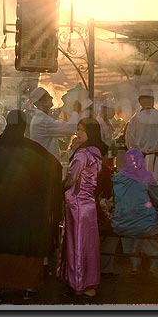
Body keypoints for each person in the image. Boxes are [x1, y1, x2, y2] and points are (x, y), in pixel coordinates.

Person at [0, 110, 63, 303]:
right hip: (26, 210)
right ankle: (28, 287)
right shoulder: (33, 148)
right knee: (27, 244)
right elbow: (56, 168)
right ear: (24, 126)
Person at [57, 118, 107, 298]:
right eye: (77, 130)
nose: (78, 133)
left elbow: (71, 178)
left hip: (76, 203)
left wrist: (59, 188)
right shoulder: (97, 152)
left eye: (81, 130)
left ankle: (78, 283)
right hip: (89, 203)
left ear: (90, 133)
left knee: (76, 243)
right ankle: (89, 283)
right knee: (88, 243)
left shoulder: (82, 154)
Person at [111, 148, 158, 278]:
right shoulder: (146, 177)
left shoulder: (117, 178)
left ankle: (134, 265)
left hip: (121, 223)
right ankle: (154, 266)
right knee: (156, 226)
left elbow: (116, 201)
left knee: (133, 227)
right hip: (144, 224)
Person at [125, 88, 158, 196]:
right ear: (153, 101)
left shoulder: (135, 119)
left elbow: (129, 143)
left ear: (140, 102)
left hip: (142, 161)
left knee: (143, 192)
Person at [29, 87, 80, 161]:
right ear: (42, 102)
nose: (52, 98)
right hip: (46, 165)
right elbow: (71, 128)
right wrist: (76, 111)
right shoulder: (43, 121)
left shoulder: (42, 118)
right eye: (48, 97)